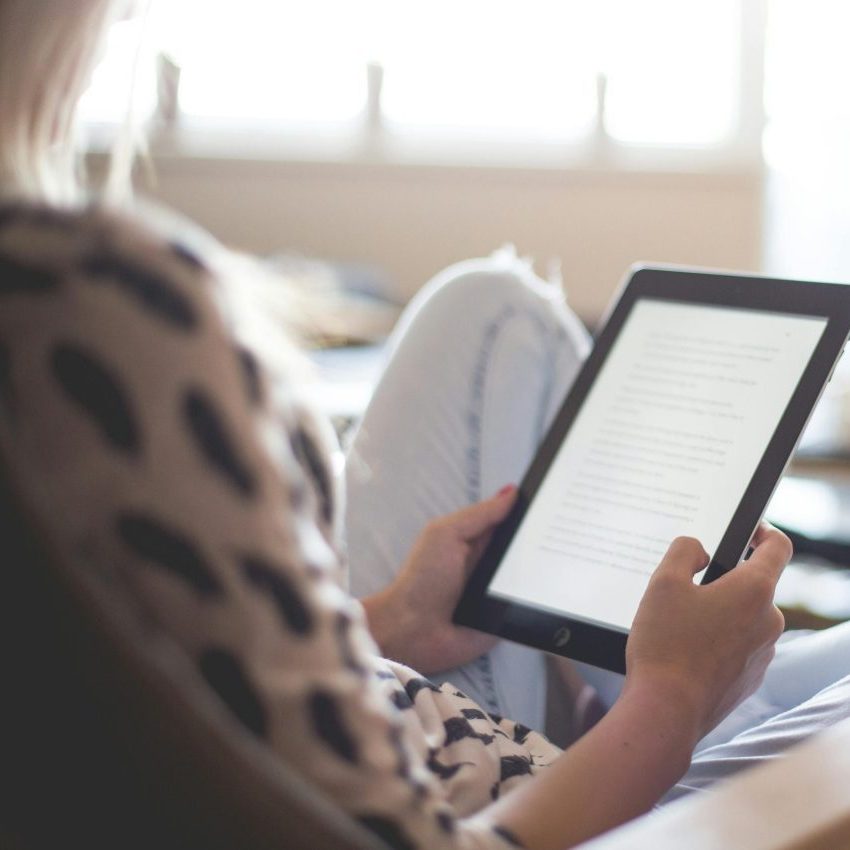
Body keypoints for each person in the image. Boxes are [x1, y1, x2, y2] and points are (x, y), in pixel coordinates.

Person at [3, 2, 850, 849]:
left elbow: (194, 674)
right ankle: (682, 694)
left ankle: (665, 685)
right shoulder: (88, 313)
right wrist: (669, 703)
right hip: (526, 796)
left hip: (407, 688)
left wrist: (387, 619)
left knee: (490, 307)